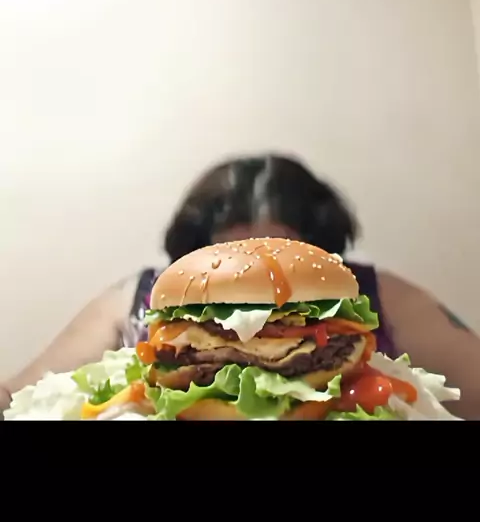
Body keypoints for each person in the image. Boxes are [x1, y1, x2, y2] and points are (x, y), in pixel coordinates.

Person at [1, 154, 480, 419]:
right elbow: (20, 397)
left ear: (318, 248)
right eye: (230, 256)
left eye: (278, 253)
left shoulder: (373, 293)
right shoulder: (138, 300)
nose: (254, 284)